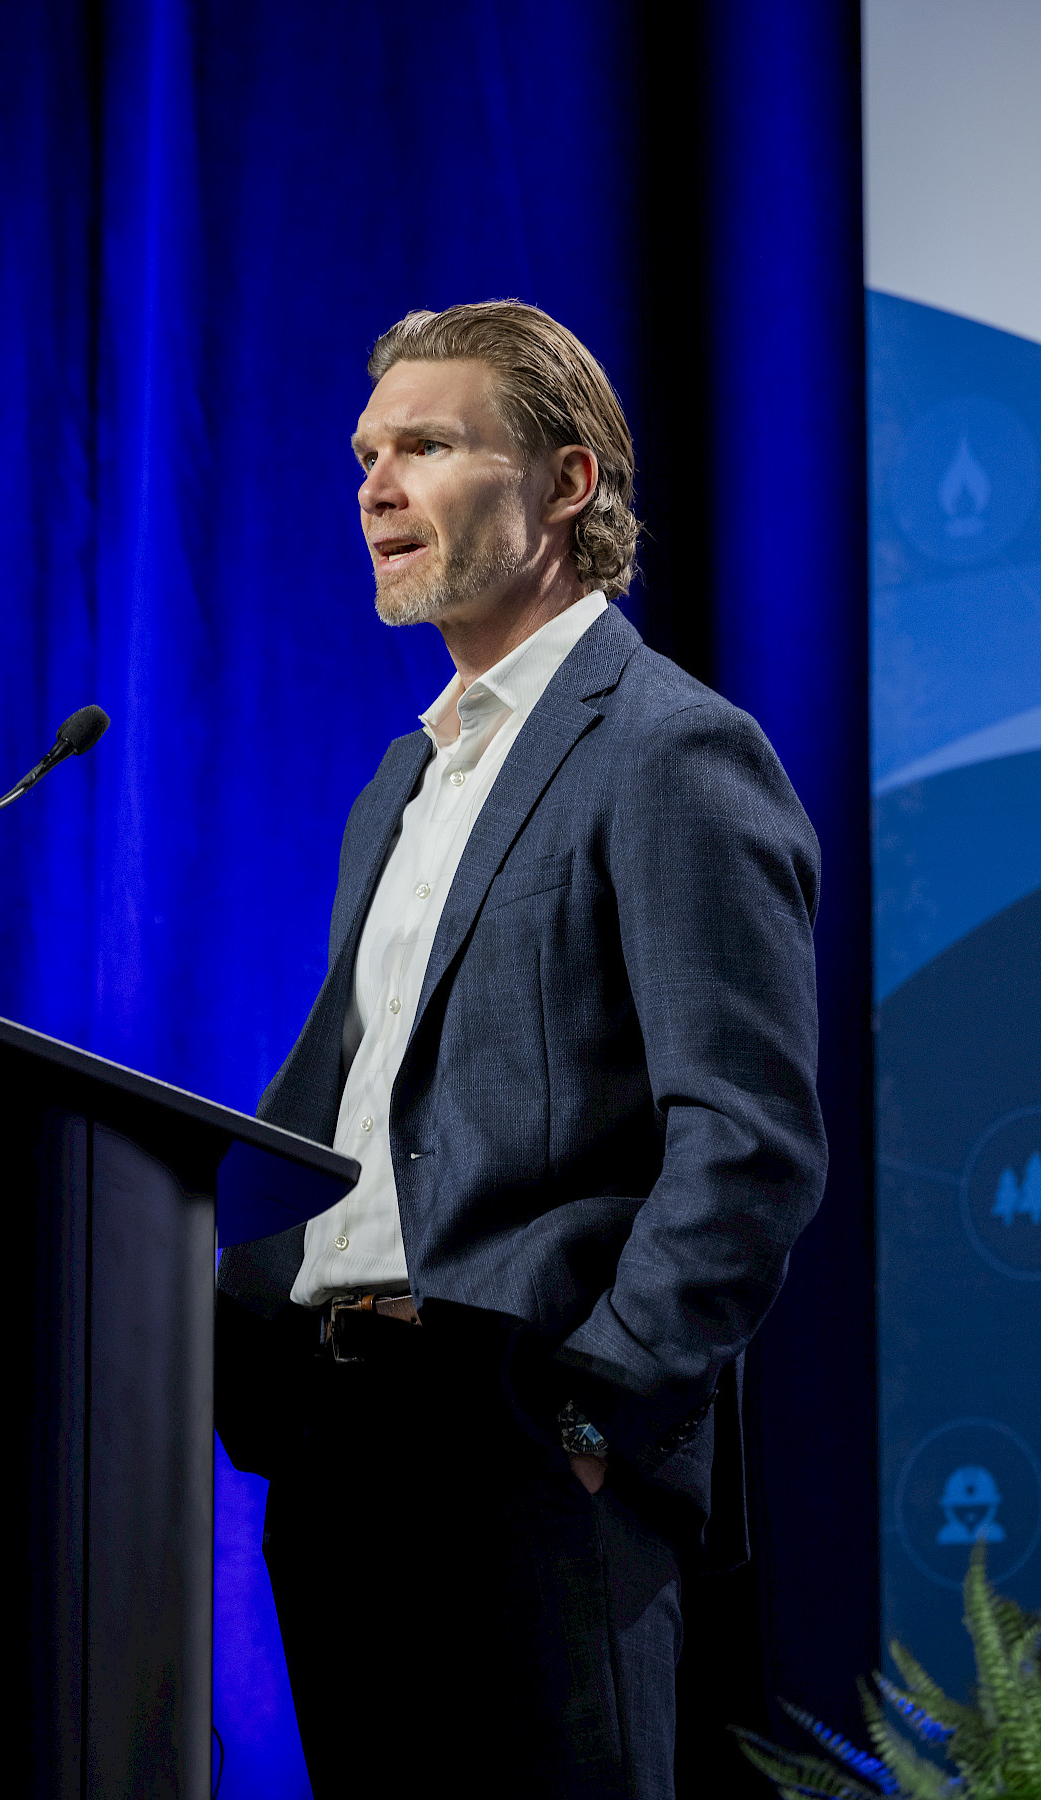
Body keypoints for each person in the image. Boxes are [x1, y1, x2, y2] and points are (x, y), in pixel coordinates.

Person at [215, 300, 827, 1799]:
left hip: (529, 1439)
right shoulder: (403, 779)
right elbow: (360, 1101)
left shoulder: (673, 747)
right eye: (366, 454)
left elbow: (747, 1138)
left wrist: (595, 1406)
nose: (376, 487)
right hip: (346, 1439)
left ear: (566, 484)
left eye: (426, 446)